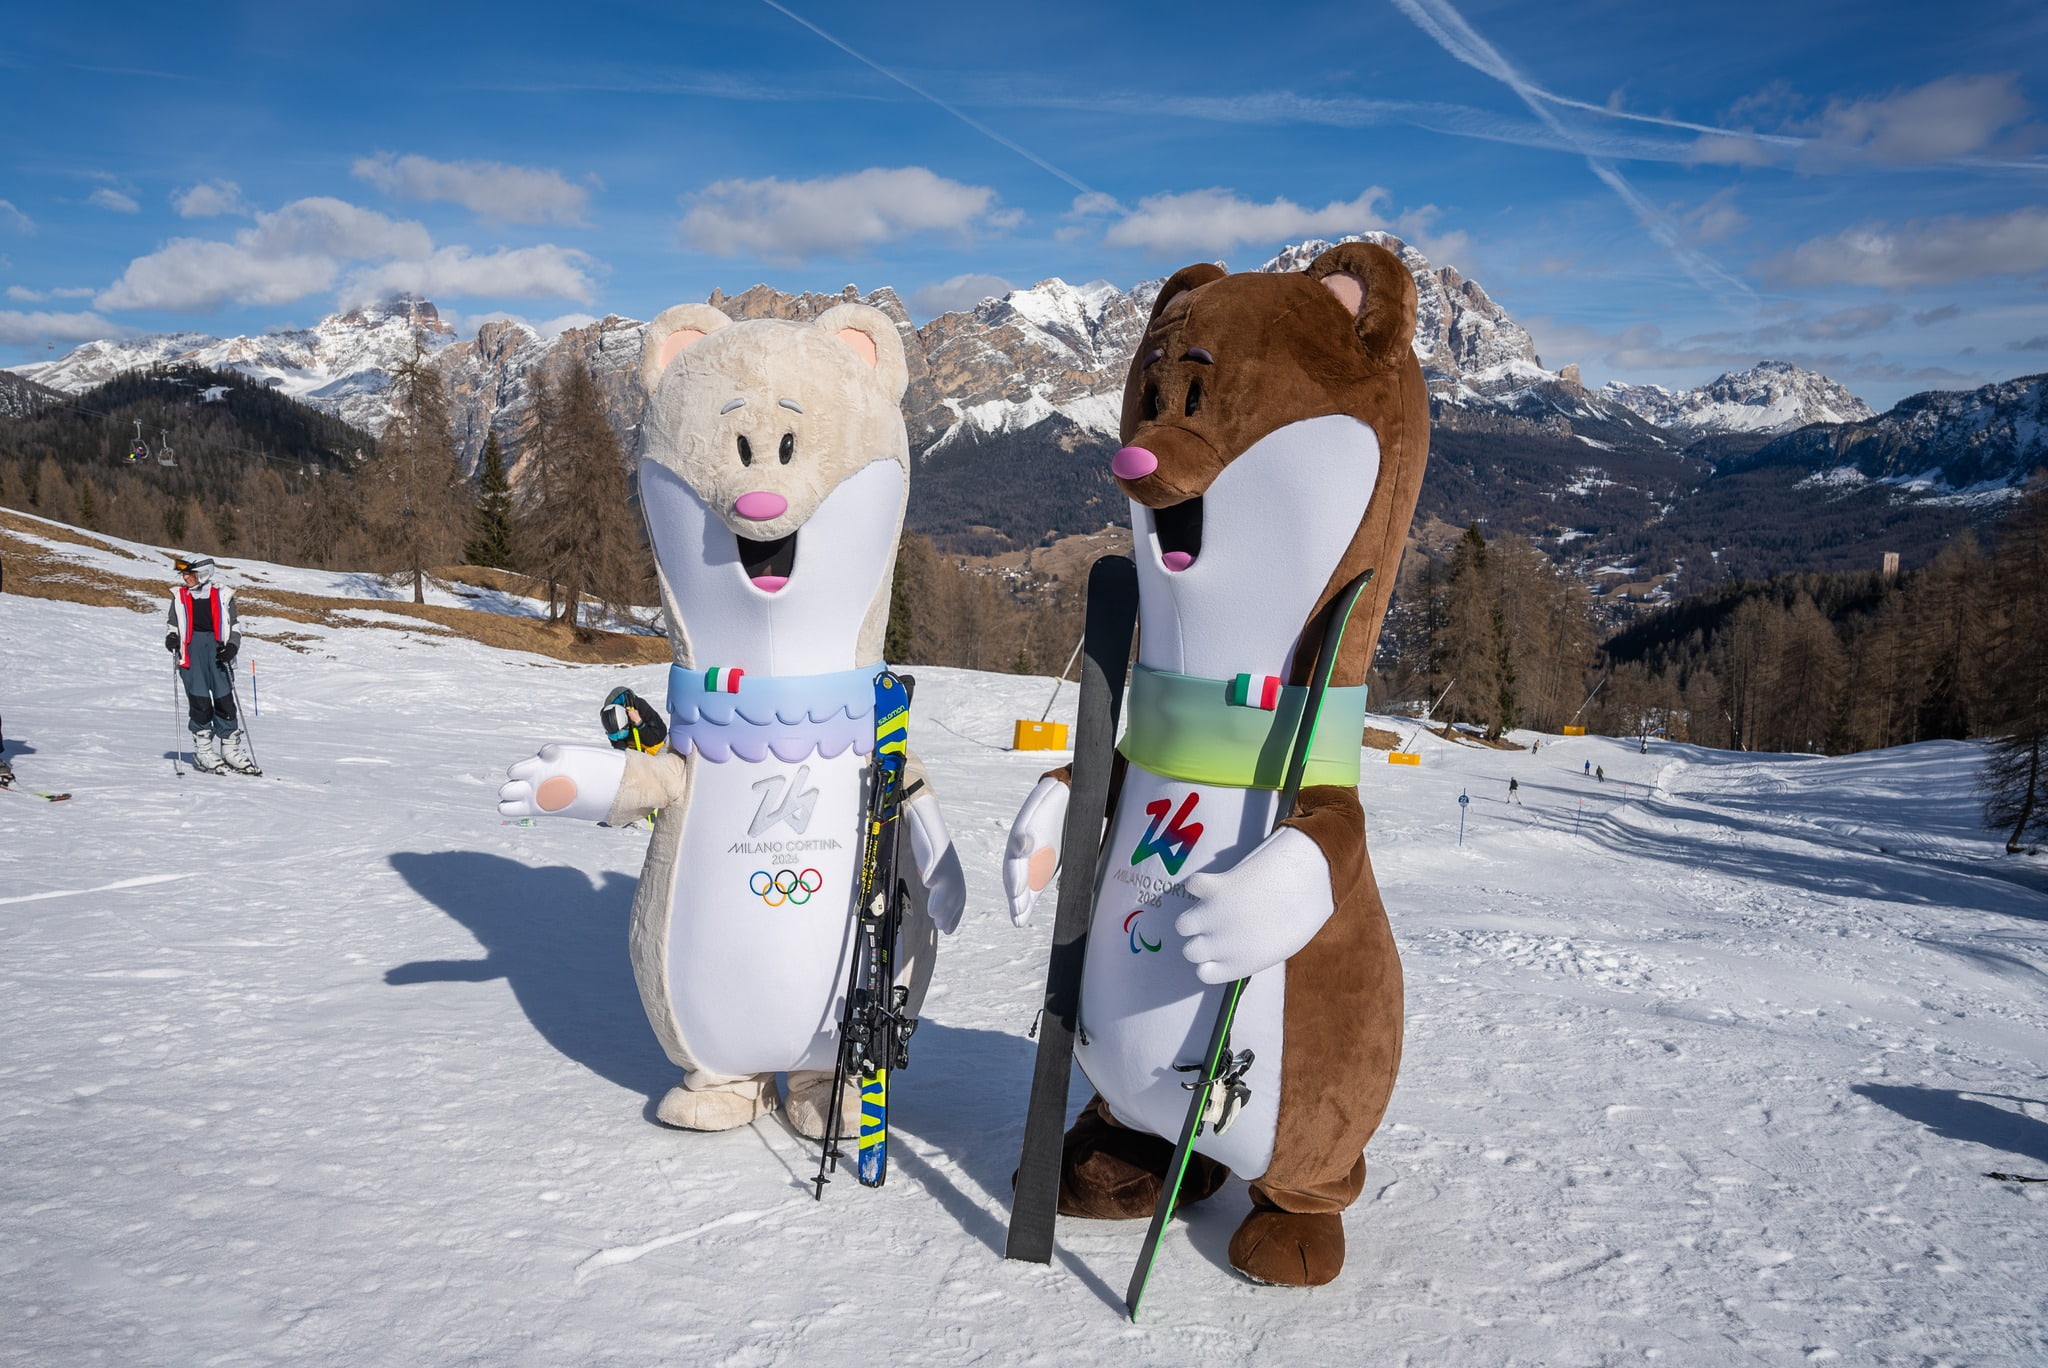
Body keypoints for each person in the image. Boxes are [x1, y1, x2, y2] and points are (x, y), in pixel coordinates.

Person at [164, 555, 259, 775]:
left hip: (218, 650)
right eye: (184, 574)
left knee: (224, 700)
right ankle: (204, 750)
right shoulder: (179, 596)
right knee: (200, 701)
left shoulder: (223, 595)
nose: (185, 577)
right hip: (192, 650)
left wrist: (233, 646)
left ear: (204, 573)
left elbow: (234, 625)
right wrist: (171, 638)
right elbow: (173, 624)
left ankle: (230, 749)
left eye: (190, 573)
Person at [600, 687, 668, 755]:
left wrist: (639, 723)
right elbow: (617, 743)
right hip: (634, 748)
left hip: (657, 746)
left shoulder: (641, 707)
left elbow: (654, 739)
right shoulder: (608, 717)